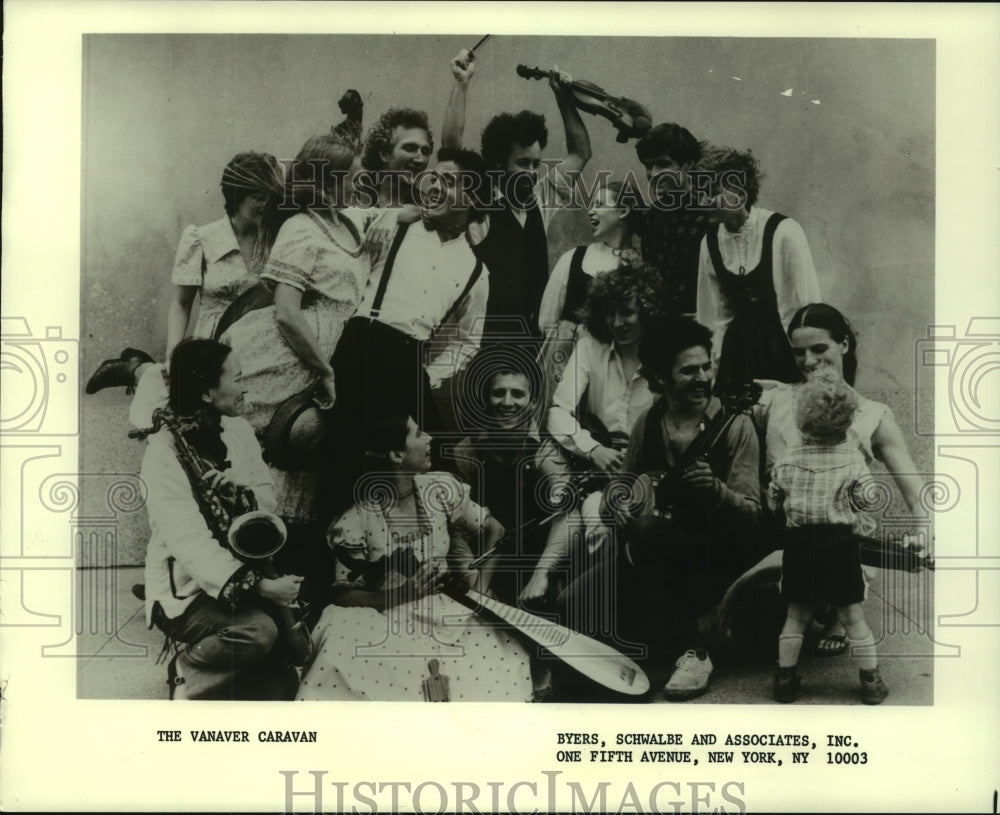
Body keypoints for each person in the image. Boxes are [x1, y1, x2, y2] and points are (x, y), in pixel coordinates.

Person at [557, 318, 762, 701]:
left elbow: (752, 515)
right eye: (688, 370)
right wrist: (616, 502)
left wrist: (717, 491)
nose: (702, 377)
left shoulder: (734, 425)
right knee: (572, 604)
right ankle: (665, 640)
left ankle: (694, 651)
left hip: (714, 557)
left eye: (706, 367)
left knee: (653, 535)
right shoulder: (648, 422)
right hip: (652, 553)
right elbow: (621, 486)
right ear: (661, 378)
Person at [723, 303, 932, 657]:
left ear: (844, 345)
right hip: (784, 529)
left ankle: (837, 611)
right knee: (748, 621)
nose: (808, 361)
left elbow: (915, 491)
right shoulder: (775, 400)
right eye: (799, 352)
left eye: (819, 349)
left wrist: (927, 531)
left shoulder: (871, 415)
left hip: (841, 538)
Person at [295, 416, 534, 702]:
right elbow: (345, 596)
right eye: (419, 433)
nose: (429, 438)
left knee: (492, 670)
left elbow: (496, 530)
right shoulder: (355, 519)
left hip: (451, 607)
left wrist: (480, 589)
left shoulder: (439, 489)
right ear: (397, 455)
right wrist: (404, 593)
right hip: (388, 614)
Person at [219, 133, 374, 524]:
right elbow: (287, 311)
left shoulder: (347, 223)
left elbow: (392, 213)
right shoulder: (301, 228)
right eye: (353, 175)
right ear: (327, 181)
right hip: (295, 356)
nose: (361, 183)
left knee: (308, 462)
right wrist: (324, 369)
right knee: (264, 450)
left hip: (342, 348)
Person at [138, 339, 302, 700]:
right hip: (187, 589)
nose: (245, 387)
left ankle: (240, 667)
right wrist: (262, 588)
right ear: (207, 393)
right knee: (259, 633)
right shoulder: (163, 454)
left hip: (238, 571)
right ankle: (188, 670)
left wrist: (239, 493)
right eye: (238, 378)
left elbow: (267, 494)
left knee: (286, 679)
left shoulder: (238, 430)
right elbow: (189, 543)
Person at [331, 147, 492, 478]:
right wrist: (393, 214)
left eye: (448, 181)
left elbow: (468, 341)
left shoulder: (477, 270)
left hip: (410, 363)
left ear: (472, 196)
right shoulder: (397, 223)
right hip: (363, 349)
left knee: (438, 474)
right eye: (433, 178)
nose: (434, 187)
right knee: (348, 462)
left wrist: (429, 376)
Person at [85, 151, 284, 398]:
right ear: (237, 196)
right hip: (211, 349)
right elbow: (181, 302)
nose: (267, 204)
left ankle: (138, 367)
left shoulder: (279, 241)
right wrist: (173, 356)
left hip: (261, 347)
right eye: (258, 197)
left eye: (271, 198)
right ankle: (139, 369)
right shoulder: (201, 239)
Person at [442, 50, 592, 339]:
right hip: (482, 341)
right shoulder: (480, 205)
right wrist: (461, 83)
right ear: (499, 163)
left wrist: (564, 98)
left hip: (531, 340)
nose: (533, 172)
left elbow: (580, 153)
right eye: (523, 163)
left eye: (537, 163)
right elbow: (451, 149)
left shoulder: (540, 198)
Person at [767, 378, 889, 704]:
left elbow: (774, 498)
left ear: (800, 418)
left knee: (796, 616)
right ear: (848, 420)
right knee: (853, 617)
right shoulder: (852, 460)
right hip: (840, 546)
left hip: (800, 545)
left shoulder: (788, 459)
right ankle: (871, 680)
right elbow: (868, 498)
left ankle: (785, 679)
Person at [695, 147, 821, 396]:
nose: (703, 202)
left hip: (781, 351)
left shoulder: (783, 231)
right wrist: (712, 374)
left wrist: (811, 372)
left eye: (712, 193)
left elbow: (801, 309)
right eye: (700, 194)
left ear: (740, 192)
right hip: (737, 356)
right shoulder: (709, 243)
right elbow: (714, 319)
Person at [451, 353, 571, 606]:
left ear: (532, 401)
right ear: (486, 397)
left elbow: (566, 514)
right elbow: (457, 527)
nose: (507, 402)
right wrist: (474, 584)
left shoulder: (546, 450)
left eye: (517, 394)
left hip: (534, 571)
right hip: (482, 570)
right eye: (499, 393)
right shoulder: (467, 451)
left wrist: (542, 575)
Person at [537, 180, 638, 413]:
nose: (591, 211)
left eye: (600, 204)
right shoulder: (574, 257)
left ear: (623, 211)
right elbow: (546, 319)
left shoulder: (637, 266)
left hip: (609, 365)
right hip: (563, 360)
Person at [633, 123, 711, 316]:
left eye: (663, 164)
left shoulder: (710, 211)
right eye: (648, 166)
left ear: (688, 164)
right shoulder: (652, 216)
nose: (652, 173)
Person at [359, 107, 433, 207]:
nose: (421, 159)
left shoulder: (425, 207)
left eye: (425, 151)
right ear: (384, 154)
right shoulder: (353, 193)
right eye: (409, 148)